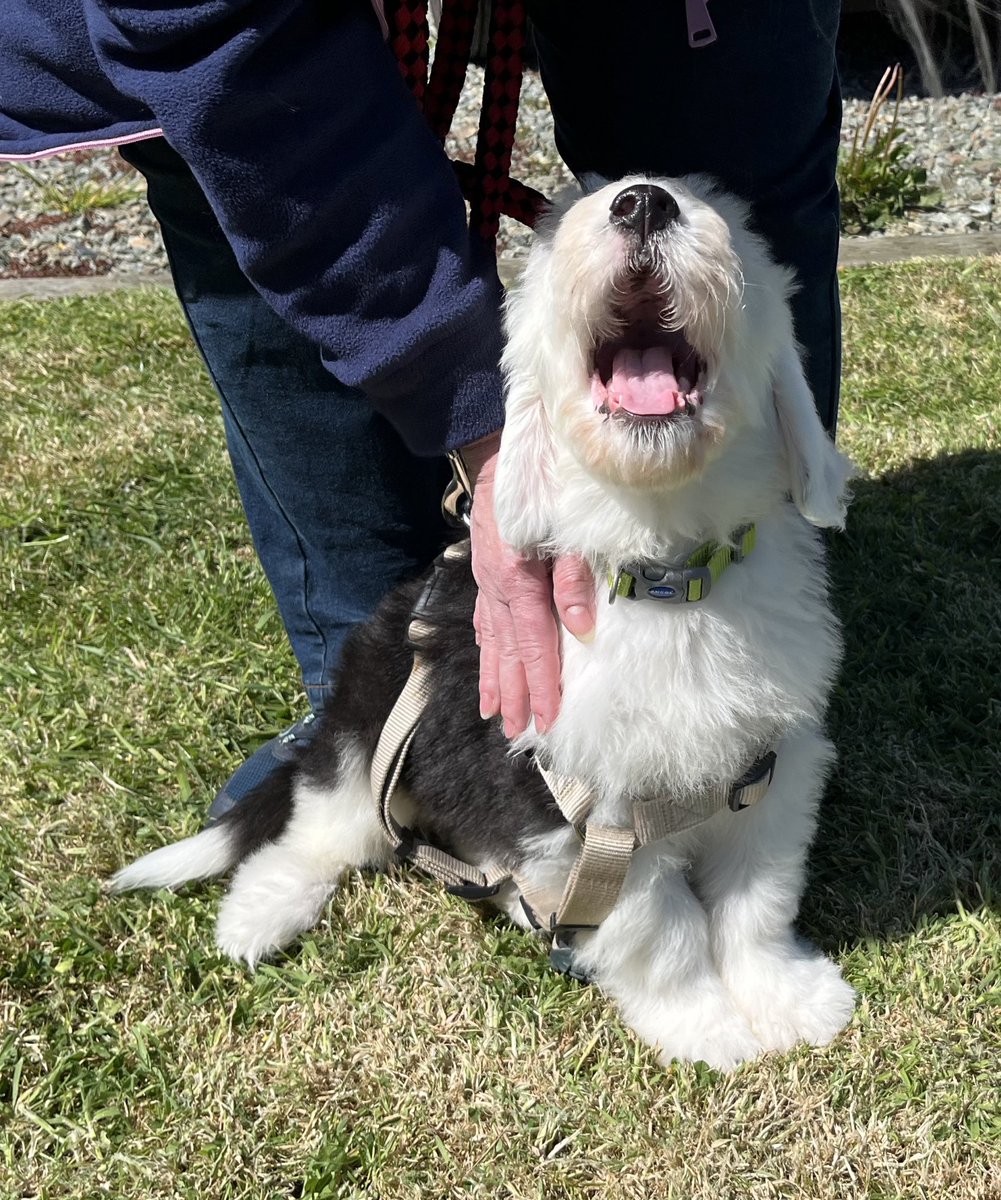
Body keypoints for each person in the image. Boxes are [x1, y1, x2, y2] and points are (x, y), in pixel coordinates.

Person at [0, 0, 843, 817]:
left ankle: (750, 655)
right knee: (260, 193)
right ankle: (378, 702)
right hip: (234, 23)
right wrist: (487, 438)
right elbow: (229, 62)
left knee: (718, 184)